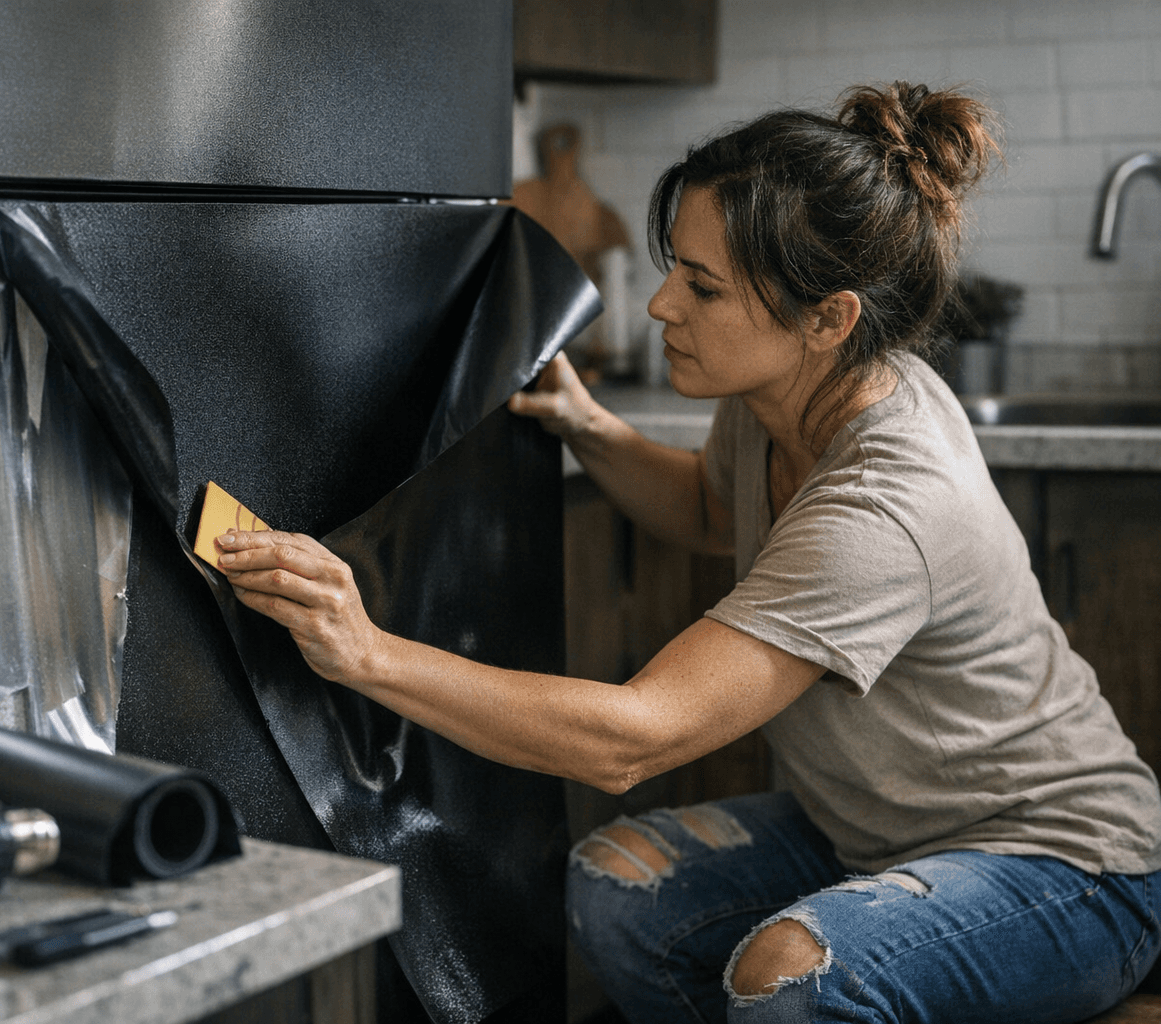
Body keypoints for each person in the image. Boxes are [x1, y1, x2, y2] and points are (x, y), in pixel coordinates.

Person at [212, 82, 1161, 1023]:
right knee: (618, 894)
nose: (663, 303)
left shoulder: (888, 504)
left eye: (703, 287)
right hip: (876, 833)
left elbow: (635, 738)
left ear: (827, 319)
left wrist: (365, 650)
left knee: (790, 981)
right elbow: (714, 509)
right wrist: (588, 427)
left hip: (1067, 866)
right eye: (677, 267)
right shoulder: (786, 399)